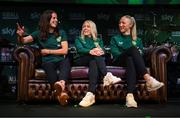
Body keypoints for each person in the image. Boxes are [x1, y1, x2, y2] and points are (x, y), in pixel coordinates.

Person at [105, 15, 164, 108]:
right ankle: (148, 79)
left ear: (130, 25)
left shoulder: (137, 40)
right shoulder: (115, 39)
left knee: (130, 59)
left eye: (123, 23)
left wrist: (130, 52)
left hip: (130, 62)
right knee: (132, 50)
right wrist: (130, 51)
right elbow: (116, 54)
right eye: (119, 23)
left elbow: (140, 55)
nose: (120, 25)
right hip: (119, 61)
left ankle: (130, 96)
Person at [16, 10, 71, 106]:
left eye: (56, 18)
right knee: (49, 68)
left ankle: (60, 88)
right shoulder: (38, 33)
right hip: (48, 61)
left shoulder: (61, 32)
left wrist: (47, 51)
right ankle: (62, 93)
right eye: (54, 18)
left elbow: (65, 50)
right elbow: (23, 41)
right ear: (47, 19)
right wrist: (20, 36)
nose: (56, 20)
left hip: (61, 59)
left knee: (66, 62)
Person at [74, 20, 121, 107]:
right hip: (81, 59)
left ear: (93, 29)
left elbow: (102, 50)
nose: (85, 28)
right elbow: (80, 50)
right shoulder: (79, 39)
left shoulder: (98, 40)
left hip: (93, 59)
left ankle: (90, 94)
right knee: (94, 56)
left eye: (88, 26)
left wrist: (99, 51)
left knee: (94, 61)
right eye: (84, 26)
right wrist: (91, 51)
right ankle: (107, 75)